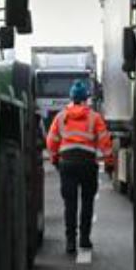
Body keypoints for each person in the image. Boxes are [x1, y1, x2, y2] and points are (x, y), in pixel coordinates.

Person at [46, 79, 114, 255]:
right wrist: (109, 162)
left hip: (67, 163)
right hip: (87, 164)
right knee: (87, 202)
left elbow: (51, 141)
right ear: (86, 99)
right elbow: (105, 141)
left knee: (70, 204)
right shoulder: (94, 117)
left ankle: (70, 242)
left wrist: (54, 159)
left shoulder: (61, 117)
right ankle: (84, 239)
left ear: (71, 98)